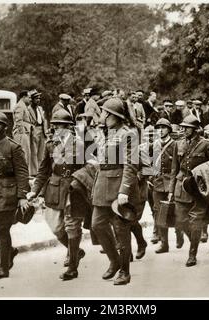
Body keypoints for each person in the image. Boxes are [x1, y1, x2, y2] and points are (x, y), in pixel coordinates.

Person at [91, 98, 143, 285]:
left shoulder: (128, 134)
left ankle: (124, 271)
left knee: (121, 231)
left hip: (119, 186)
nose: (103, 116)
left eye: (106, 113)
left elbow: (131, 165)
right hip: (102, 184)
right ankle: (114, 261)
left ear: (115, 116)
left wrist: (124, 191)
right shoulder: (105, 133)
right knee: (97, 225)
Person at [27, 109, 85, 270]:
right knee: (55, 226)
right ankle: (75, 251)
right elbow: (43, 170)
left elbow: (87, 168)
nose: (57, 129)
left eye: (61, 125)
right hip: (54, 187)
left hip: (73, 188)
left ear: (69, 127)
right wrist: (35, 190)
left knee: (72, 225)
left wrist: (83, 186)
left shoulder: (79, 144)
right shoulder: (50, 144)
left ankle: (72, 261)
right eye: (55, 126)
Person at [169, 115, 209, 267]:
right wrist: (171, 190)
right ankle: (194, 239)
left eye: (187, 127)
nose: (183, 129)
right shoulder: (177, 144)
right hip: (181, 187)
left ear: (196, 129)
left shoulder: (207, 144)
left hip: (199, 189)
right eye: (182, 127)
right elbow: (174, 169)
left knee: (196, 222)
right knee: (180, 220)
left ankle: (192, 254)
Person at [0, 111, 30, 280]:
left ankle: (3, 268)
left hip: (7, 194)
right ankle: (9, 252)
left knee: (3, 229)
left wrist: (22, 196)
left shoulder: (13, 147)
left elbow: (22, 173)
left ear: (5, 127)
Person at [151, 118, 184, 253]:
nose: (160, 130)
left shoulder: (175, 144)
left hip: (172, 181)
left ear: (169, 130)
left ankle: (179, 234)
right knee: (159, 212)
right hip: (158, 182)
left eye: (163, 128)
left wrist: (175, 183)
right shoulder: (154, 145)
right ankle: (164, 243)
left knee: (175, 210)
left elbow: (178, 165)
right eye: (158, 128)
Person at [28, 89, 48, 176]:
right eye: (36, 98)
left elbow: (44, 120)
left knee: (41, 151)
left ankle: (40, 170)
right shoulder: (28, 109)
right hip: (34, 130)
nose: (38, 100)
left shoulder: (40, 108)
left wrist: (45, 130)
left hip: (41, 130)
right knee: (34, 152)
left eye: (39, 98)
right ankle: (34, 172)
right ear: (32, 99)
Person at [12, 90, 32, 170]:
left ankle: (25, 173)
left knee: (26, 153)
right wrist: (22, 132)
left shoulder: (23, 105)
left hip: (24, 133)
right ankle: (23, 173)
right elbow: (18, 120)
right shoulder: (20, 106)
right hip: (21, 133)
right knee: (23, 154)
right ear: (24, 97)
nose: (30, 99)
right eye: (29, 97)